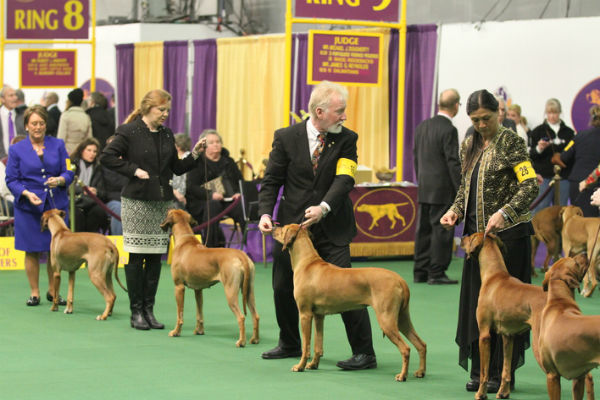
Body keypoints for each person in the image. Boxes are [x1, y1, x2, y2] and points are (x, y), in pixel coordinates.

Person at [258, 81, 376, 370]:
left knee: (349, 287)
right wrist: (264, 213)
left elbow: (345, 179)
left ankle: (364, 353)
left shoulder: (347, 139)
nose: (344, 116)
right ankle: (289, 343)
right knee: (283, 286)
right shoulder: (285, 137)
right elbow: (272, 179)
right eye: (340, 111)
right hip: (294, 230)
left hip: (332, 225)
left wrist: (324, 208)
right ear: (320, 111)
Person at [440, 89, 538, 393]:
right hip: (476, 245)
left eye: (486, 118)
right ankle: (480, 370)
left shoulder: (512, 142)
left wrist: (506, 214)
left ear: (499, 112)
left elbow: (531, 185)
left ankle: (500, 372)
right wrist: (454, 211)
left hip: (508, 241)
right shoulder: (468, 144)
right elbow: (463, 190)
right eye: (474, 120)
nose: (481, 124)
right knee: (478, 308)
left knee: (505, 312)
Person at [100, 89, 206, 331]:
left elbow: (177, 168)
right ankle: (135, 311)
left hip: (161, 204)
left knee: (156, 257)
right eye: (161, 109)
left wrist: (196, 154)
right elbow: (107, 157)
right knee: (137, 257)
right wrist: (133, 170)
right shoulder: (128, 131)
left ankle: (149, 310)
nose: (165, 114)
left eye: (167, 110)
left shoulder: (167, 134)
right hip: (136, 203)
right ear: (148, 108)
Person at [5, 105, 74, 306]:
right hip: (28, 208)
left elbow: (68, 171)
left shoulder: (59, 145)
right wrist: (26, 193)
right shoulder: (16, 149)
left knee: (55, 251)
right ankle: (34, 293)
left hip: (55, 207)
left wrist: (60, 180)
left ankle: (53, 292)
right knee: (31, 250)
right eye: (34, 123)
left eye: (41, 123)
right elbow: (11, 179)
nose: (38, 127)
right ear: (26, 126)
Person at [413, 88, 461, 285]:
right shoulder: (449, 130)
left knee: (423, 231)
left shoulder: (422, 126)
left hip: (424, 187)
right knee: (441, 231)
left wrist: (421, 180)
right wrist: (461, 188)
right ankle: (437, 272)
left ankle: (420, 271)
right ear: (456, 105)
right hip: (442, 189)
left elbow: (415, 157)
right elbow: (452, 162)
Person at [185, 129, 245, 247]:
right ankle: (211, 247)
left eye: (218, 142)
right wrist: (211, 194)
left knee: (241, 206)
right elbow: (191, 187)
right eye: (212, 142)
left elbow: (240, 181)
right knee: (213, 205)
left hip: (228, 200)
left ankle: (249, 247)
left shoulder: (229, 161)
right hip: (202, 201)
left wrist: (238, 193)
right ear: (205, 146)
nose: (216, 144)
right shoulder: (197, 162)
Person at [529, 98, 574, 214]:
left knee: (562, 210)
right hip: (544, 177)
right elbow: (531, 156)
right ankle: (536, 232)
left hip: (563, 176)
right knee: (540, 209)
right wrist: (540, 148)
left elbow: (573, 155)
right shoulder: (537, 131)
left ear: (560, 113)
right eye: (549, 113)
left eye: (555, 113)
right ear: (546, 113)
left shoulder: (569, 132)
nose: (552, 116)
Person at [555, 105, 600, 217]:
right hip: (595, 184)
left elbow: (564, 156)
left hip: (576, 182)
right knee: (592, 225)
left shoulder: (579, 135)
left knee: (576, 224)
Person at [71, 137, 109, 233]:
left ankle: (91, 240)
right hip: (73, 200)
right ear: (81, 150)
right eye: (89, 150)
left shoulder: (98, 168)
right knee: (77, 214)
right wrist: (82, 190)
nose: (92, 154)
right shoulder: (72, 164)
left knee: (98, 212)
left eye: (94, 151)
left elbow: (104, 193)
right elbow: (66, 186)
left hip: (91, 201)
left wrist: (96, 192)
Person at [101, 135, 128, 235]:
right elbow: (106, 190)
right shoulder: (102, 166)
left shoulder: (130, 164)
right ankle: (120, 243)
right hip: (111, 201)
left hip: (130, 200)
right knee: (119, 208)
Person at [57, 88, 92, 154]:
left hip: (67, 152)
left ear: (70, 101)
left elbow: (61, 138)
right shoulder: (86, 117)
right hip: (81, 152)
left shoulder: (66, 115)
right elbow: (89, 138)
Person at [0, 85, 26, 159]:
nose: (15, 98)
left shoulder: (23, 116)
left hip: (20, 158)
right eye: (11, 95)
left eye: (15, 95)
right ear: (2, 99)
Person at [172, 133, 191, 209]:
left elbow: (183, 182)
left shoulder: (185, 159)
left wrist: (176, 192)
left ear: (178, 147)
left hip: (182, 198)